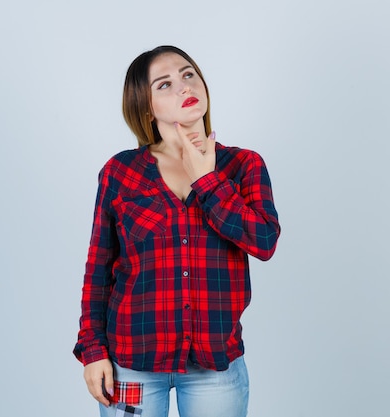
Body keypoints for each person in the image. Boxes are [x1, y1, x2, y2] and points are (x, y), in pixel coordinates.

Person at [73, 45, 281, 417]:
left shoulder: (243, 165)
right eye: (164, 84)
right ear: (147, 107)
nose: (184, 87)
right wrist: (92, 352)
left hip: (214, 367)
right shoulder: (120, 173)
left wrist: (208, 180)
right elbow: (98, 271)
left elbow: (263, 242)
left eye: (188, 75)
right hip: (131, 366)